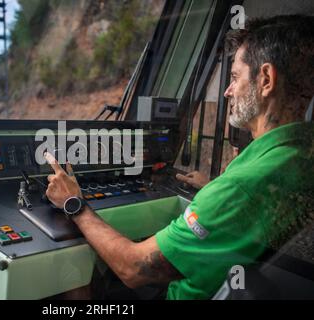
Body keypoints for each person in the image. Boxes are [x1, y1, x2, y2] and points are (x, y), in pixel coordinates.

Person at [44, 15, 314, 299]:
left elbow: (132, 268)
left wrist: (74, 203)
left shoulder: (239, 189)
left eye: (234, 77)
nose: (227, 91)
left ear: (266, 80)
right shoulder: (297, 156)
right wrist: (213, 187)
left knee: (72, 277)